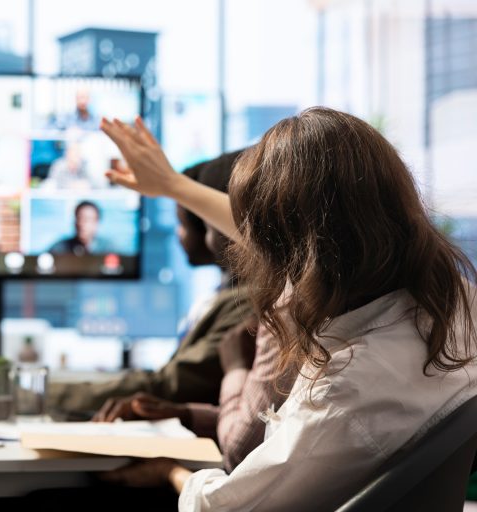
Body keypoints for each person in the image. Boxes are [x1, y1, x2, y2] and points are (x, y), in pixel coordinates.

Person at [100, 109, 477, 511]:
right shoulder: (457, 306)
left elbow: (224, 507)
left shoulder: (346, 387)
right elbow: (312, 228)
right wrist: (175, 186)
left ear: (291, 250)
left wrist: (168, 471)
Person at [48, 153, 254, 418]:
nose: (180, 234)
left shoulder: (246, 301)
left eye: (184, 222)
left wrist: (45, 392)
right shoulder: (227, 293)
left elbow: (170, 384)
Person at [48, 200, 113, 256]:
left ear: (96, 223)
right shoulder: (59, 248)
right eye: (79, 218)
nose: (81, 224)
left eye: (87, 219)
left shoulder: (109, 249)